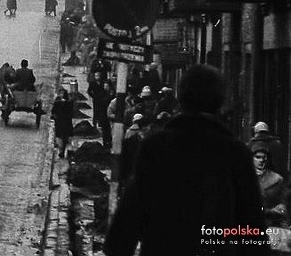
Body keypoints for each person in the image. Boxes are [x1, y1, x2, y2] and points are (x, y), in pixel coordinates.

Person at [104, 64, 268, 256]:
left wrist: (118, 246)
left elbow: (132, 212)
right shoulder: (235, 153)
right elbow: (252, 224)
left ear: (181, 99)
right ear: (220, 102)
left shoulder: (156, 146)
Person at [251, 146, 288, 227]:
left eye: (264, 157)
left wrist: (280, 209)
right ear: (251, 158)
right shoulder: (244, 178)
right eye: (258, 157)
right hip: (248, 223)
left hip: (270, 223)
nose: (261, 160)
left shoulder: (277, 179)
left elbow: (284, 203)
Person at [51, 89, 73, 158]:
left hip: (66, 122)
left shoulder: (69, 102)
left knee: (66, 138)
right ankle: (61, 151)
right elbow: (53, 111)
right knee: (59, 138)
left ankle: (64, 151)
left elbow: (71, 112)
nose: (61, 95)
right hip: (59, 122)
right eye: (60, 93)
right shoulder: (57, 102)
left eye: (62, 93)